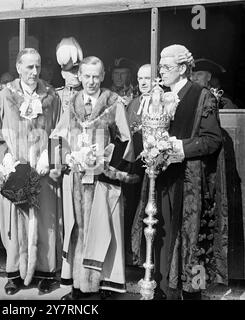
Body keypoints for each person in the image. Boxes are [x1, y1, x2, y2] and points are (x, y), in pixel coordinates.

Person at [132, 44, 224, 300]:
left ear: (182, 68)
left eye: (166, 67)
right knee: (161, 235)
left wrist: (179, 147)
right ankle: (164, 291)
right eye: (160, 66)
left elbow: (212, 139)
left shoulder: (202, 96)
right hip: (161, 179)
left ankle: (193, 294)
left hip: (190, 182)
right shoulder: (158, 95)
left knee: (192, 243)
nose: (161, 71)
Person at [50, 56, 134, 300]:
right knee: (78, 230)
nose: (91, 81)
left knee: (105, 230)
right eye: (86, 76)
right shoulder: (72, 103)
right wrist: (66, 159)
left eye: (96, 76)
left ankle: (106, 287)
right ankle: (78, 285)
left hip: (103, 181)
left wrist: (104, 162)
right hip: (77, 180)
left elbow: (126, 141)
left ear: (103, 75)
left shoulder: (113, 103)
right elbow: (58, 136)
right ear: (80, 76)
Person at [0, 48, 61, 295]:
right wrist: (4, 158)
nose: (34, 72)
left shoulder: (51, 96)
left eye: (37, 66)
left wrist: (49, 155)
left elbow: (60, 133)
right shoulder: (4, 96)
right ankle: (14, 274)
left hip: (43, 171)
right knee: (14, 224)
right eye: (29, 67)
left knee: (46, 222)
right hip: (13, 169)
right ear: (18, 68)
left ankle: (46, 273)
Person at [123, 64, 152, 265]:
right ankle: (131, 254)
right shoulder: (133, 104)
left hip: (153, 165)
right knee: (131, 208)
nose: (143, 82)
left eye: (147, 78)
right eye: (140, 78)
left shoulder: (163, 102)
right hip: (135, 165)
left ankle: (148, 257)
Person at [55, 37, 83, 115]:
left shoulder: (89, 94)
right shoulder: (56, 95)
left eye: (78, 70)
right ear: (63, 74)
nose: (76, 75)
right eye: (72, 71)